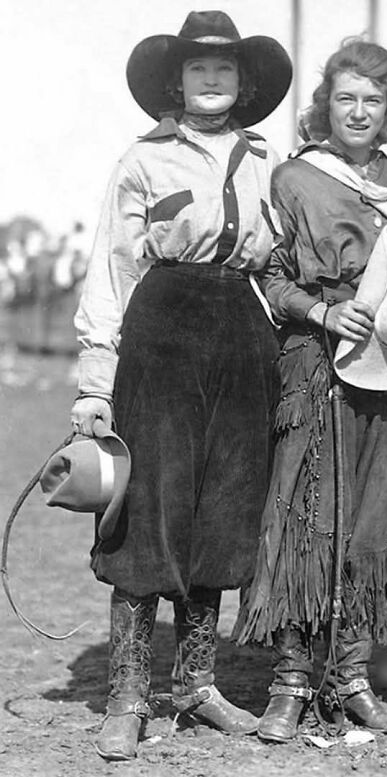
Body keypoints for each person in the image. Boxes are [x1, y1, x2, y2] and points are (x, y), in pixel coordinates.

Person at [70, 11, 291, 761]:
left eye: (224, 67)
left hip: (241, 335)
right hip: (162, 332)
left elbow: (283, 266)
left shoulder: (268, 159)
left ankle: (197, 681)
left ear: (246, 81)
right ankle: (128, 694)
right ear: (174, 79)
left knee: (225, 503)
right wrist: (95, 383)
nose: (210, 78)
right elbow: (111, 269)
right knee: (150, 506)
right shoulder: (142, 160)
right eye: (197, 67)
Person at [233, 38, 387, 743]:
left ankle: (351, 673)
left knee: (374, 517)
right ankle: (292, 680)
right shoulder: (294, 178)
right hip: (317, 359)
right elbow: (269, 278)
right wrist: (323, 311)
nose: (358, 111)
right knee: (305, 516)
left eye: (373, 100)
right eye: (346, 97)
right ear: (325, 103)